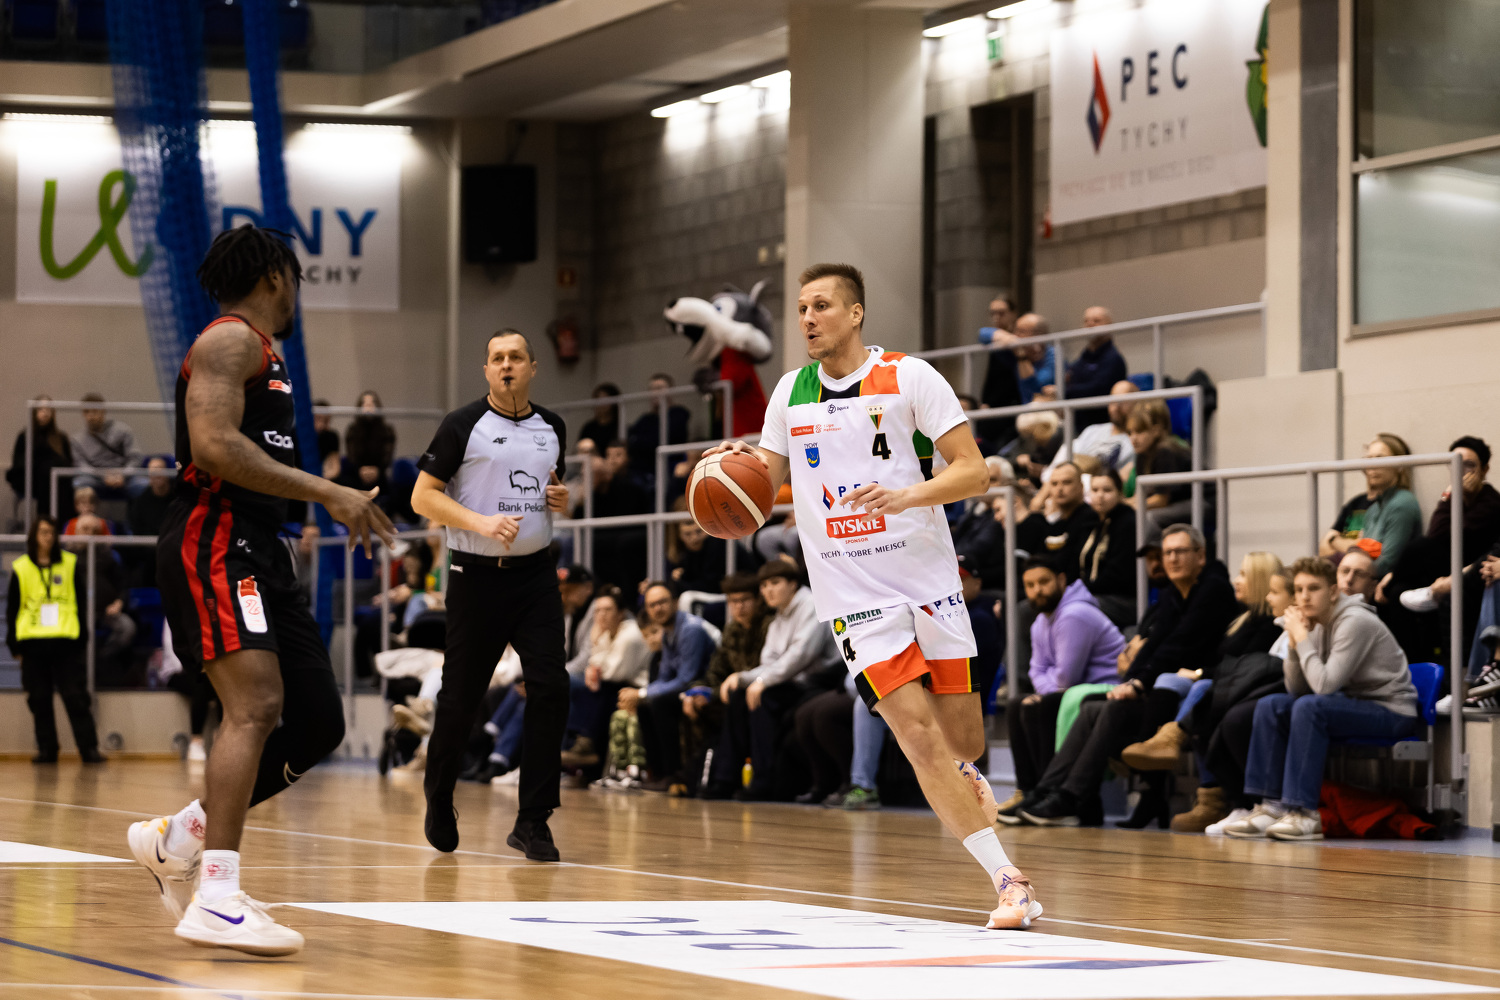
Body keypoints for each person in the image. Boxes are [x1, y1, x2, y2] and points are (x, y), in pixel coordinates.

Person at [707, 261, 1042, 930]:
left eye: (821, 306)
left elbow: (975, 472)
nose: (808, 318)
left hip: (926, 580)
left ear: (855, 313)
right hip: (852, 592)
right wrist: (728, 473)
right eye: (802, 308)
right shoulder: (789, 393)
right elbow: (761, 488)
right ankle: (1010, 882)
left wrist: (908, 495)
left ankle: (965, 772)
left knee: (963, 741)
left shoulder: (910, 377)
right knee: (916, 736)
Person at [132, 225, 395, 956]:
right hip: (215, 536)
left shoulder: (265, 354)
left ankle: (178, 837)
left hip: (260, 545)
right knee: (253, 706)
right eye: (295, 279)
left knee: (316, 721)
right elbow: (214, 445)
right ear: (276, 276)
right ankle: (216, 895)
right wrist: (328, 492)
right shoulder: (228, 340)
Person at [410, 328, 571, 861]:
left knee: (551, 685)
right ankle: (439, 795)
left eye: (516, 357)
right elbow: (422, 498)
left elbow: (549, 487)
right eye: (497, 358)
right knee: (460, 697)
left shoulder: (553, 427)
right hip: (475, 577)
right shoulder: (462, 425)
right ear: (486, 370)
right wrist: (481, 522)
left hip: (536, 577)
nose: (506, 365)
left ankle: (534, 820)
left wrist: (560, 498)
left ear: (532, 367)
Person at [1017, 524, 1237, 826]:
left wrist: (1138, 683)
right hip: (1162, 687)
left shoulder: (1214, 590)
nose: (1171, 559)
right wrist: (1131, 680)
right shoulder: (1173, 594)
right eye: (1167, 553)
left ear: (1200, 555)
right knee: (1090, 707)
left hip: (1196, 690)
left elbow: (1178, 645)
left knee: (1111, 709)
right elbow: (1154, 646)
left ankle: (1072, 797)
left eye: (1179, 551)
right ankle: (1046, 790)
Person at [1224, 557, 1419, 841]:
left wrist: (1302, 638)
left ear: (1333, 592)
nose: (1304, 597)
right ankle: (1272, 807)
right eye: (1299, 589)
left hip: (1392, 711)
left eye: (1313, 588)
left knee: (1310, 708)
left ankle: (1304, 812)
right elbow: (1298, 690)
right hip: (1354, 704)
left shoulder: (1355, 621)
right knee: (1272, 705)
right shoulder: (1315, 621)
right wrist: (1294, 645)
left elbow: (1324, 687)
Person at [997, 555, 1124, 823]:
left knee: (1044, 705)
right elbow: (1036, 670)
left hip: (1108, 688)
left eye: (1043, 582)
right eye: (1030, 585)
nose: (1037, 590)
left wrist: (1046, 690)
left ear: (1062, 580)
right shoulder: (1040, 622)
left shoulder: (1074, 615)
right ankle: (1029, 791)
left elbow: (1067, 677)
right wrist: (1046, 689)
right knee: (1017, 704)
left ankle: (1050, 794)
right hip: (1077, 690)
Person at [705, 561, 838, 800]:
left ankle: (763, 782)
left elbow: (801, 655)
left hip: (820, 682)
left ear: (793, 584)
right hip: (791, 683)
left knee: (762, 698)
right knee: (738, 695)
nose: (768, 590)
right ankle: (725, 779)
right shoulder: (779, 617)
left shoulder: (811, 604)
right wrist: (741, 678)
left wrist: (762, 682)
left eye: (775, 583)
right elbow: (769, 662)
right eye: (764, 585)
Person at [7, 515, 103, 764]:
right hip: (33, 643)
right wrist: (14, 644)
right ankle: (47, 749)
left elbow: (81, 602)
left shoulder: (69, 564)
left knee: (75, 696)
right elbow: (13, 608)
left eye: (51, 533)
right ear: (34, 536)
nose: (47, 537)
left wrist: (82, 636)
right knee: (39, 699)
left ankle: (88, 749)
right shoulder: (21, 568)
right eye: (43, 533)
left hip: (65, 641)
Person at [678, 572, 774, 795]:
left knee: (735, 701)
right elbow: (715, 671)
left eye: (744, 600)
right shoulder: (732, 630)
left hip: (761, 690)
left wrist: (715, 693)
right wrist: (697, 692)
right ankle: (689, 779)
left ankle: (725, 779)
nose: (738, 607)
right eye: (733, 601)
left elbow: (768, 668)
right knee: (689, 705)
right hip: (731, 692)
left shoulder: (769, 626)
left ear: (758, 600)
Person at [557, 586, 650, 774]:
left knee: (576, 685)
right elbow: (596, 665)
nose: (601, 615)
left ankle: (584, 743)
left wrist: (594, 668)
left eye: (607, 610)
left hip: (637, 687)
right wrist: (595, 646)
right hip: (615, 686)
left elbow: (614, 673)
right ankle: (573, 747)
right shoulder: (606, 632)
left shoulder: (630, 635)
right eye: (598, 610)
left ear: (621, 613)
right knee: (577, 688)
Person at [633, 581, 717, 788]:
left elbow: (686, 678)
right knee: (645, 706)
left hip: (706, 687)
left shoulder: (690, 629)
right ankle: (658, 773)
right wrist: (643, 695)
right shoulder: (668, 631)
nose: (657, 608)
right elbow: (664, 677)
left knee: (660, 703)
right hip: (686, 689)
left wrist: (643, 693)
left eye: (662, 602)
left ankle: (674, 774)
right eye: (652, 605)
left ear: (675, 603)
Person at [1319, 434, 1421, 578]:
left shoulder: (1402, 503)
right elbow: (1362, 556)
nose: (1372, 466)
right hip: (1360, 578)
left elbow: (1386, 564)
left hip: (1382, 583)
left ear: (1399, 465)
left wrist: (1343, 572)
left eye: (1380, 458)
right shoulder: (1373, 509)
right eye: (1369, 459)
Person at [1076, 469, 1138, 627]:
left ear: (1120, 493)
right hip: (1091, 593)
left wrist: (1079, 591)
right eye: (1095, 490)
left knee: (1073, 609)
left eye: (1107, 490)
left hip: (1123, 599)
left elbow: (1119, 575)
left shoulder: (1128, 522)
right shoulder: (1089, 521)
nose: (1100, 496)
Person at [1043, 380, 1137, 482]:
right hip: (1073, 482)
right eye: (1113, 401)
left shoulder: (1136, 439)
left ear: (1136, 404)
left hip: (1103, 486)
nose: (1116, 407)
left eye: (1123, 402)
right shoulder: (1092, 430)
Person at [1123, 400, 1194, 530]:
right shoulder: (1142, 453)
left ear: (1156, 431)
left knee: (1150, 517)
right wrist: (1122, 505)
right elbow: (1140, 496)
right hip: (1176, 502)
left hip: (1201, 499)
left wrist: (1127, 506)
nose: (1133, 438)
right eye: (1130, 433)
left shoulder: (1165, 451)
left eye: (1139, 432)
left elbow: (1161, 500)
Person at [1015, 461, 1098, 570]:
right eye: (1054, 484)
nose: (1059, 489)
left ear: (1081, 486)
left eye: (1066, 482)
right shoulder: (1056, 525)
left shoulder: (1091, 519)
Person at [7, 395, 75, 519]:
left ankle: (62, 524)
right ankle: (45, 521)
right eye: (41, 409)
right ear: (34, 412)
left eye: (48, 409)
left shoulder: (60, 437)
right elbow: (18, 464)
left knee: (60, 481)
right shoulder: (25, 436)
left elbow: (68, 463)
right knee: (46, 472)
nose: (45, 413)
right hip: (31, 479)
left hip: (57, 481)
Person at [73, 393, 147, 498]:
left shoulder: (122, 430)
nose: (90, 416)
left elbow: (135, 457)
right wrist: (102, 475)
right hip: (96, 479)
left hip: (124, 476)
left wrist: (123, 474)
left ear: (103, 411)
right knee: (80, 483)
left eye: (94, 411)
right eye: (86, 411)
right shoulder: (77, 440)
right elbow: (82, 466)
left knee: (143, 485)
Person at [1064, 307, 1127, 429]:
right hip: (1079, 425)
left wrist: (1069, 391)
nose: (1090, 324)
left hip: (1103, 425)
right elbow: (1070, 381)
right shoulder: (1083, 358)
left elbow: (1098, 389)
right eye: (1086, 321)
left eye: (1096, 321)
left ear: (1109, 325)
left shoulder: (1113, 359)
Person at [627, 373, 691, 478]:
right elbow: (631, 442)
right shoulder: (646, 419)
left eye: (660, 388)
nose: (656, 393)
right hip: (643, 470)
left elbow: (665, 439)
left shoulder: (678, 413)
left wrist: (644, 442)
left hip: (669, 468)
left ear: (671, 391)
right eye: (653, 389)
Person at [667, 499, 727, 595]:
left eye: (699, 531)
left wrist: (680, 582)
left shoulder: (717, 544)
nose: (694, 538)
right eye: (688, 534)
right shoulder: (678, 554)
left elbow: (711, 586)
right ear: (678, 534)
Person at [345, 390, 396, 488]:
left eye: (372, 404)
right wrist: (360, 470)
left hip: (380, 475)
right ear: (359, 407)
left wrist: (377, 470)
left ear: (378, 407)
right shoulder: (353, 430)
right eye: (365, 404)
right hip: (357, 475)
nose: (368, 407)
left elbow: (387, 456)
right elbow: (351, 456)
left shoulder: (387, 430)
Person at [578, 383, 621, 452]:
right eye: (597, 399)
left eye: (604, 399)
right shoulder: (589, 428)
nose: (600, 403)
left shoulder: (619, 427)